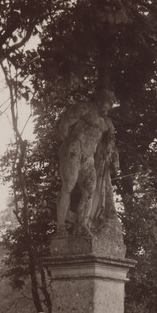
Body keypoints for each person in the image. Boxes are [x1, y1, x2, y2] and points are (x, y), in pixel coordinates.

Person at [55, 89, 120, 237]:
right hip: (74, 149)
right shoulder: (84, 108)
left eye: (110, 105)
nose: (108, 107)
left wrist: (115, 158)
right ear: (99, 100)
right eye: (107, 103)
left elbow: (111, 143)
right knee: (69, 185)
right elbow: (63, 124)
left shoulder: (107, 123)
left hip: (89, 156)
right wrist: (67, 145)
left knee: (90, 190)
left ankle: (82, 225)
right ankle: (60, 228)